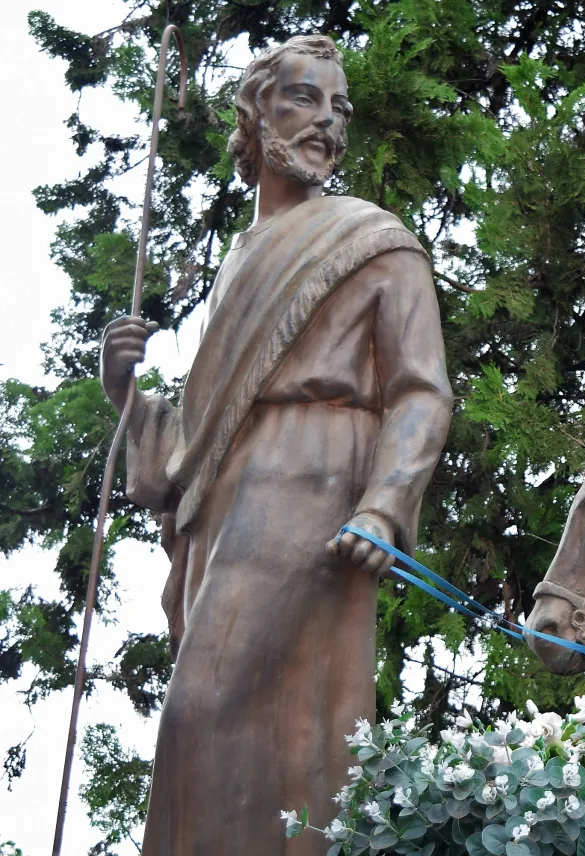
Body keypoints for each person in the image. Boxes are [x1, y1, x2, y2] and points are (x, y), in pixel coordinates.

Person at [98, 35, 452, 853]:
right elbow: (197, 433)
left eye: (341, 109)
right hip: (230, 495)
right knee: (259, 723)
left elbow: (421, 391)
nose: (328, 122)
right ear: (254, 117)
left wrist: (386, 503)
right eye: (304, 99)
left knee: (208, 707)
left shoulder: (375, 240)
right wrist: (126, 394)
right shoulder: (238, 261)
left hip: (317, 476)